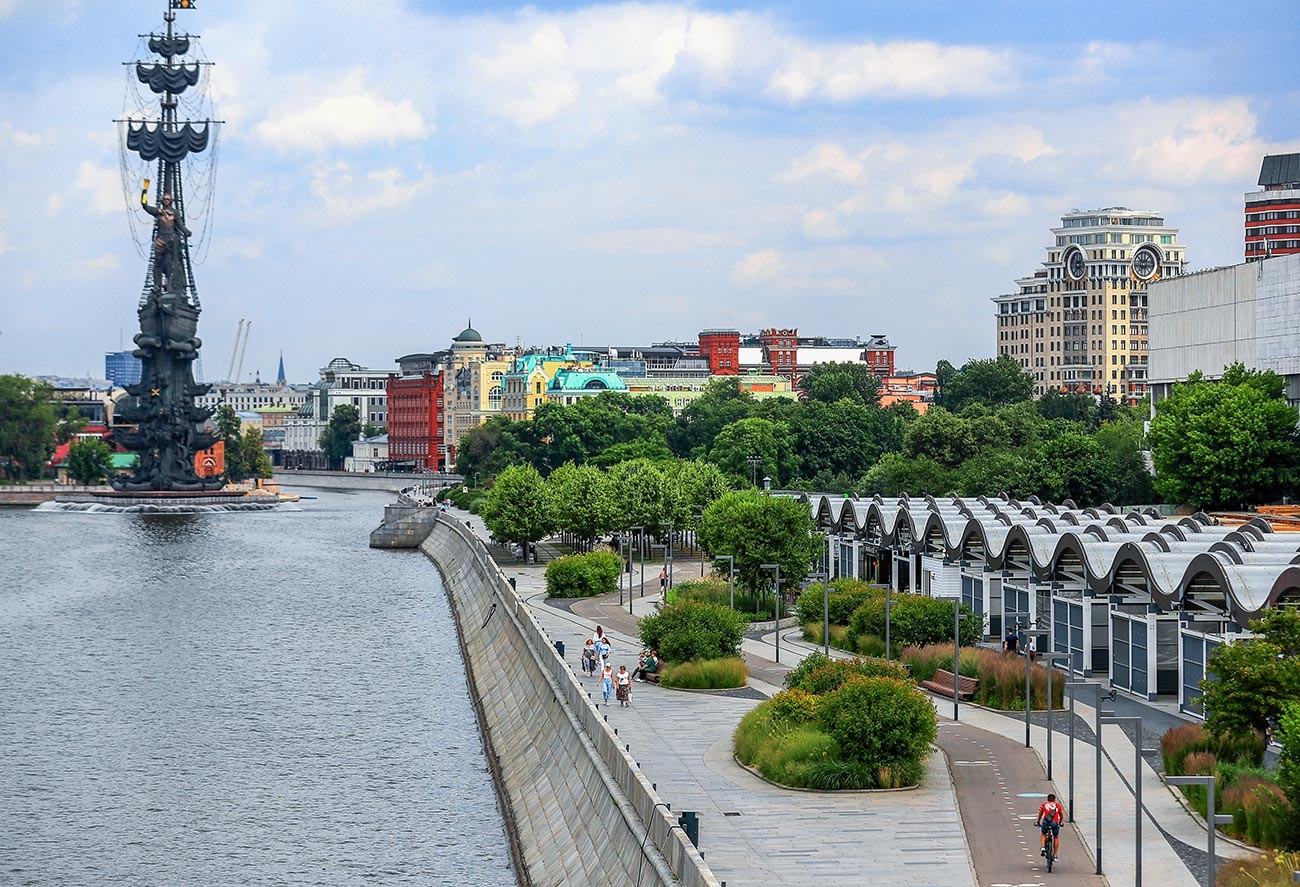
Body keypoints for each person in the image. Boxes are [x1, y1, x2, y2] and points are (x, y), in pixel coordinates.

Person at [1037, 793, 1065, 860]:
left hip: (1046, 822)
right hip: (1054, 823)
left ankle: (1043, 847)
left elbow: (1040, 814)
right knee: (1055, 837)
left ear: (1047, 799)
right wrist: (1060, 822)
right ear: (1054, 799)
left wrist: (1038, 822)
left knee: (1043, 834)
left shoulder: (1044, 805)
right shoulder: (1058, 806)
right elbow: (1061, 816)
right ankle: (1055, 855)